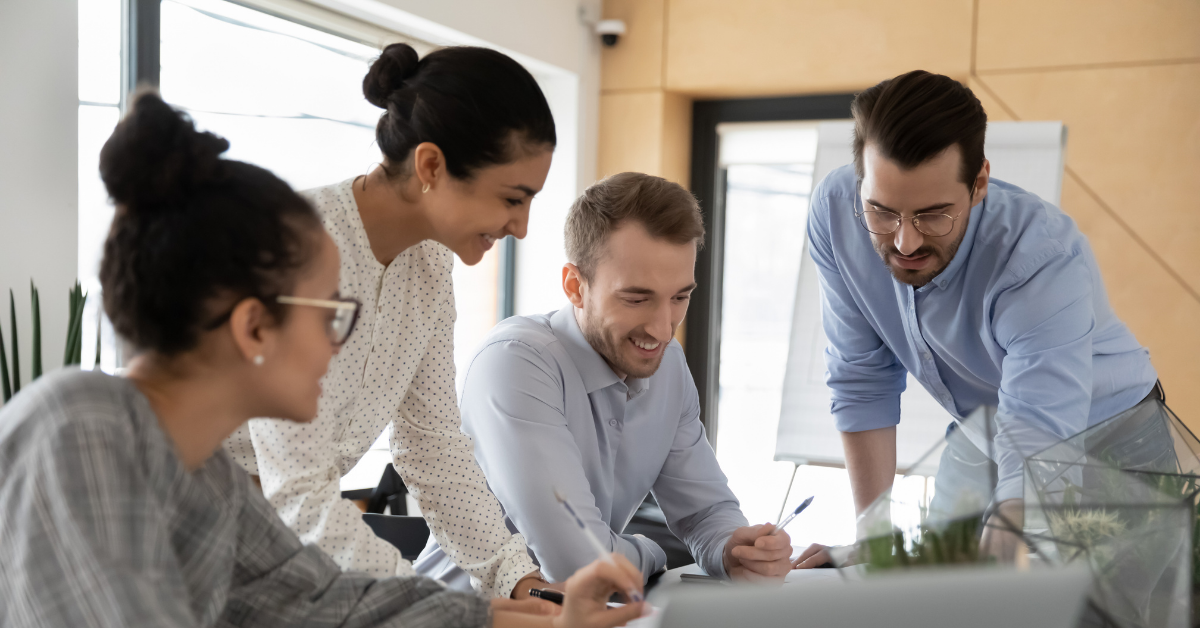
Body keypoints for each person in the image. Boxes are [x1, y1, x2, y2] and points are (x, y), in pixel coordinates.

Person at [0, 92, 646, 628]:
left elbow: (329, 601)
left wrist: (531, 614)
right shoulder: (79, 424)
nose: (344, 343)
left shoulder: (211, 485)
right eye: (334, 313)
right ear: (255, 325)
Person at [223, 43, 555, 597]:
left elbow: (432, 446)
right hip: (180, 548)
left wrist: (517, 580)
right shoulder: (296, 242)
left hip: (276, 557)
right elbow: (297, 495)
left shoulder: (429, 266)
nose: (521, 226)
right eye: (512, 198)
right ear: (431, 165)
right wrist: (441, 607)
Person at [792, 70, 1159, 567]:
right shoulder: (835, 213)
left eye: (933, 214)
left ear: (980, 182)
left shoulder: (1040, 255)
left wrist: (1010, 525)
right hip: (984, 431)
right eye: (882, 212)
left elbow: (1036, 426)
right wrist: (875, 540)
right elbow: (862, 382)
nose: (905, 243)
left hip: (1113, 436)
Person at [420, 172, 795, 586]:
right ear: (575, 286)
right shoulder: (515, 364)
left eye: (679, 297)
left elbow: (704, 511)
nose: (663, 328)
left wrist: (733, 548)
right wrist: (653, 552)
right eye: (636, 299)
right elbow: (581, 562)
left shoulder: (667, 364)